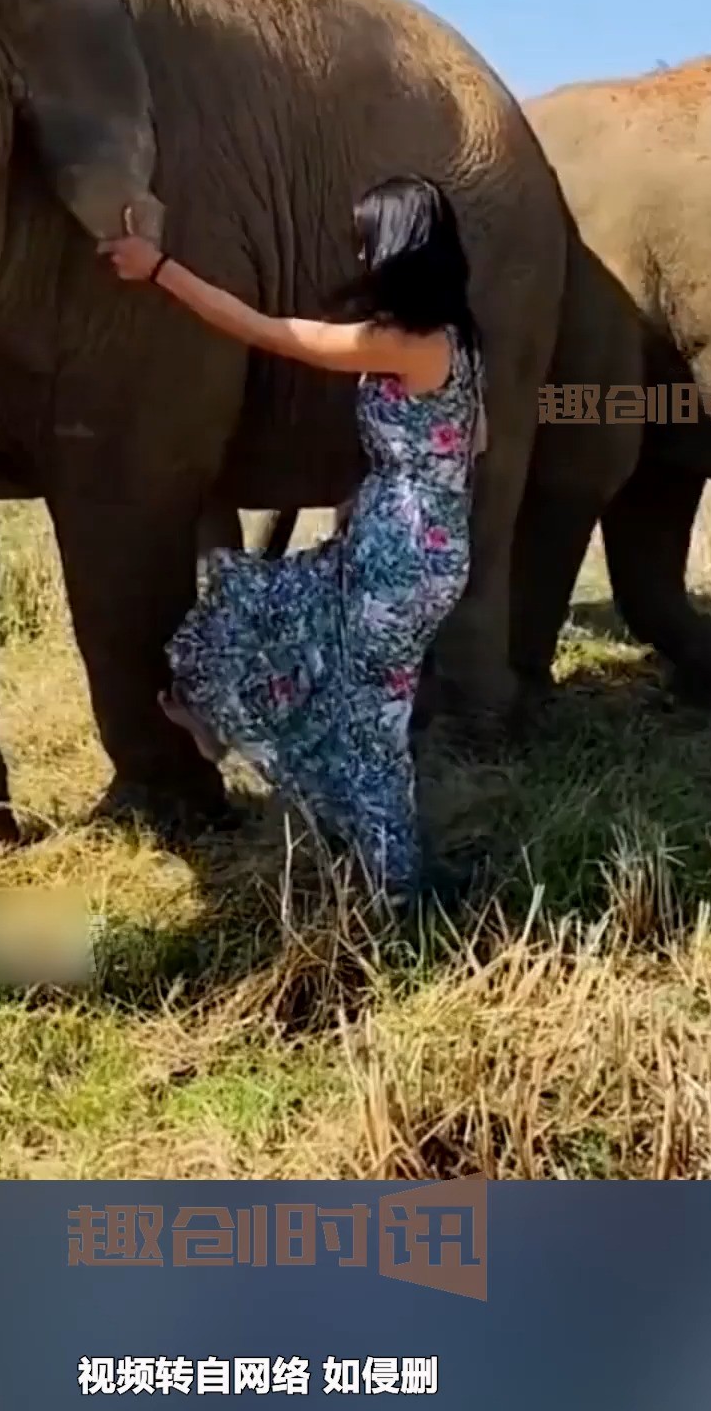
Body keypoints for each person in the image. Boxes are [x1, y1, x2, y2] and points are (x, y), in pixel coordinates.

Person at [107, 175, 488, 904]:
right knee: (291, 615)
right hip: (424, 550)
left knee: (369, 718)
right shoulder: (460, 340)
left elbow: (268, 332)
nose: (360, 253)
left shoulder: (400, 342)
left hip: (398, 560)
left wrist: (158, 269)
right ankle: (229, 723)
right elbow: (477, 441)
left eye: (366, 239)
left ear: (396, 245)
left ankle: (399, 889)